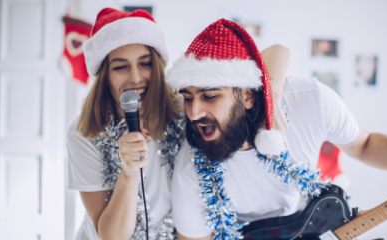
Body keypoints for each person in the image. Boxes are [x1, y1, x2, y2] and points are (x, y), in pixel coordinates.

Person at [167, 19, 387, 240]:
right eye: (188, 97)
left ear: (248, 95)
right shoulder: (189, 171)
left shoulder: (309, 101)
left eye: (210, 95)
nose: (194, 112)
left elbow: (365, 144)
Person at [67, 9, 288, 240]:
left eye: (145, 64)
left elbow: (279, 52)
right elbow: (111, 236)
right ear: (104, 76)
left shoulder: (188, 108)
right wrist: (129, 173)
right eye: (120, 67)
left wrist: (273, 100)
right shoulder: (83, 133)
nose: (135, 77)